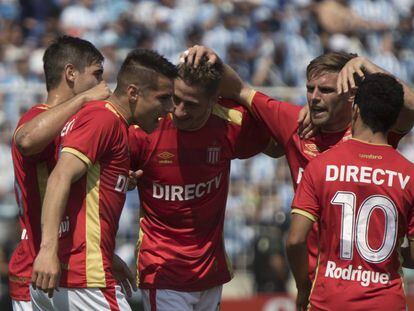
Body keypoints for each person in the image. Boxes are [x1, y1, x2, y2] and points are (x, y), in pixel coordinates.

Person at [181, 46, 414, 279]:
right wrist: (210, 58)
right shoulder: (295, 123)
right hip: (319, 283)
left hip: (371, 278)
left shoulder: (373, 132)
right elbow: (240, 89)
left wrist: (369, 67)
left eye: (325, 90)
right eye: (310, 89)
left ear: (351, 94)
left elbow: (411, 107)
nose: (314, 98)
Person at [30, 49, 177, 310]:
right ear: (133, 93)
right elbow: (60, 176)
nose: (169, 109)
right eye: (163, 99)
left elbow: (81, 196)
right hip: (85, 281)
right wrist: (47, 250)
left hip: (71, 277)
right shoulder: (103, 118)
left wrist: (107, 256)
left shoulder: (113, 125)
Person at [128, 56, 277, 311]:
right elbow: (105, 168)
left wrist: (243, 92)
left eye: (191, 104)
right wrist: (123, 177)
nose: (179, 110)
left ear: (212, 101)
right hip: (163, 271)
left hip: (210, 272)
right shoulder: (146, 127)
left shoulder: (229, 123)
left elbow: (280, 146)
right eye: (176, 99)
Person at [286, 73, 413, 311]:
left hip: (330, 301)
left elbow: (295, 240)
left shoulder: (321, 166)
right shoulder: (410, 175)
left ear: (355, 110)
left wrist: (303, 286)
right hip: (386, 303)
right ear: (395, 119)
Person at [10, 35, 112, 311]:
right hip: (36, 266)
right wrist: (83, 100)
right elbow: (27, 140)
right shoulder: (37, 116)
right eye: (96, 74)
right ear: (70, 73)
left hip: (59, 268)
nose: (102, 84)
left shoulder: (77, 124)